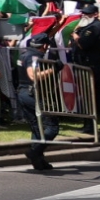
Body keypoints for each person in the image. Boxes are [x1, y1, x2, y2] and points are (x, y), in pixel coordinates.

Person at [71, 2, 100, 135]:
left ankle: (90, 126)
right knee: (99, 97)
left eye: (88, 14)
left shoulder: (94, 28)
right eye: (83, 13)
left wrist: (75, 36)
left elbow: (83, 44)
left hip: (90, 66)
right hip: (91, 65)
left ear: (95, 14)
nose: (84, 16)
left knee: (88, 97)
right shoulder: (91, 26)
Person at [16, 34, 59, 172]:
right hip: (31, 93)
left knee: (36, 126)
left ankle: (38, 161)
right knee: (52, 127)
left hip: (23, 92)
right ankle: (35, 152)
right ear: (45, 46)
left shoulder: (24, 54)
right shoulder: (34, 56)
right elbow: (33, 75)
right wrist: (53, 69)